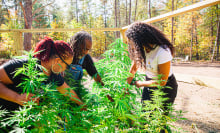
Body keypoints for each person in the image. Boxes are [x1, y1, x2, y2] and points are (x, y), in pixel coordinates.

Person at [0, 37, 85, 112]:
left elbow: (67, 91)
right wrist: (16, 97)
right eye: (67, 66)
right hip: (5, 116)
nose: (67, 69)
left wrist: (82, 105)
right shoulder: (23, 65)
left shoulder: (53, 73)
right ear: (57, 61)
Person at [125, 22, 178, 112]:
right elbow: (133, 68)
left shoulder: (162, 51)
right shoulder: (142, 49)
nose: (131, 46)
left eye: (131, 42)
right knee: (145, 115)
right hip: (149, 84)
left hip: (165, 88)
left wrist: (141, 83)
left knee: (159, 120)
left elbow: (162, 81)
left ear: (140, 40)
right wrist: (125, 86)